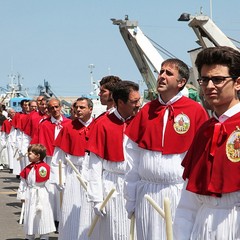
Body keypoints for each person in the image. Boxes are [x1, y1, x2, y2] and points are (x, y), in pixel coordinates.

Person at [124, 58, 209, 240]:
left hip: (178, 193)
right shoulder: (146, 110)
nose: (161, 76)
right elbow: (132, 159)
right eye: (160, 72)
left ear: (181, 82)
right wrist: (131, 198)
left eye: (168, 73)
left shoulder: (195, 111)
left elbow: (200, 161)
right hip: (146, 194)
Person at [173, 46, 240, 239]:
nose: (209, 86)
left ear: (237, 83)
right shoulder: (204, 130)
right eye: (204, 79)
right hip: (203, 227)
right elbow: (188, 202)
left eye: (218, 79)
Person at [87, 80, 141, 239]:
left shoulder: (141, 121)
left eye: (139, 99)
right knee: (116, 232)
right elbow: (94, 165)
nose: (138, 104)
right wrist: (96, 198)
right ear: (120, 102)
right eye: (134, 101)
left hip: (138, 185)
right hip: (112, 187)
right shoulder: (103, 123)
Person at [53, 97, 95, 240]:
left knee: (89, 210)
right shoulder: (68, 127)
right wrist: (60, 179)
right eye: (76, 107)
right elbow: (58, 157)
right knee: (71, 209)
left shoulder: (97, 126)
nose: (78, 110)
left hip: (92, 173)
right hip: (73, 173)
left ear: (91, 109)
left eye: (82, 107)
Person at [31, 98, 70, 229]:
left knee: (63, 188)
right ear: (48, 109)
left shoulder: (69, 123)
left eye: (56, 107)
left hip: (64, 160)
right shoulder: (44, 124)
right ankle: (52, 218)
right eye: (51, 108)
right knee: (49, 189)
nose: (55, 110)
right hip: (49, 158)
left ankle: (63, 217)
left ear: (60, 107)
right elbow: (36, 142)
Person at [17, 144, 55, 240]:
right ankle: (30, 235)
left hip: (42, 193)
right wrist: (22, 194)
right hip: (30, 194)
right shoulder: (28, 168)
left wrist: (50, 194)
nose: (28, 155)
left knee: (43, 214)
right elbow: (23, 183)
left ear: (37, 155)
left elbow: (50, 182)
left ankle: (44, 235)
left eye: (30, 153)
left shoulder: (45, 167)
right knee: (30, 214)